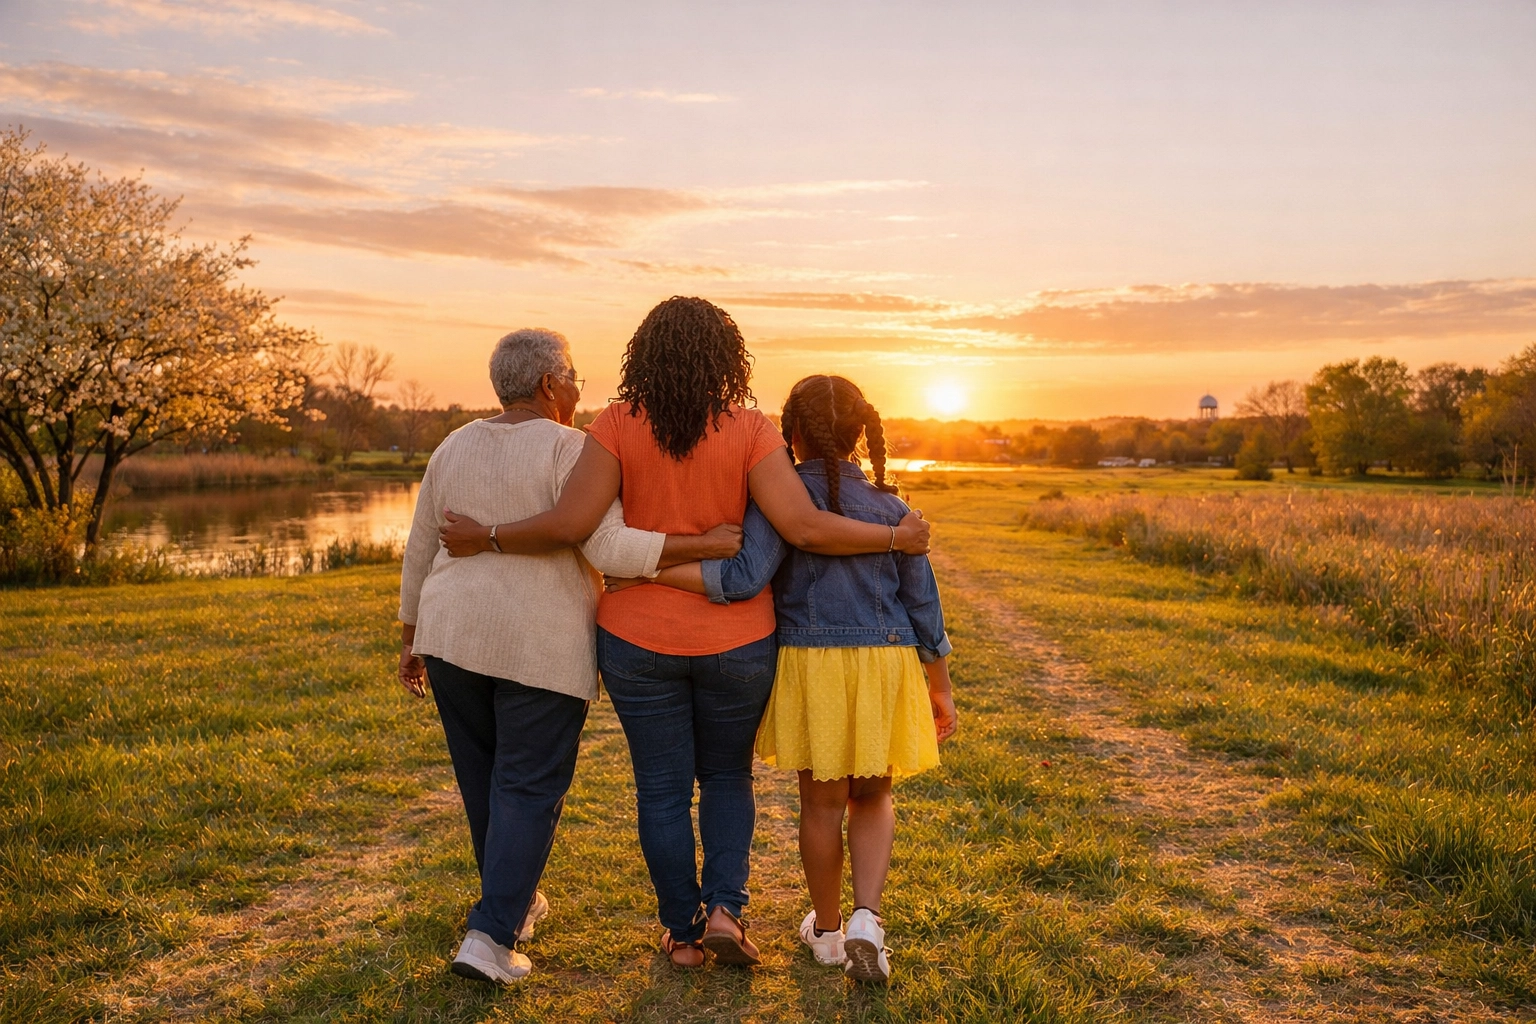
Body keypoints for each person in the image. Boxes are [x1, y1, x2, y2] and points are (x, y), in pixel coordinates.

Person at [436, 297, 931, 969]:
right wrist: (898, 534)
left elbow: (577, 524)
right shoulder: (752, 430)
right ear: (728, 357)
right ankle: (727, 908)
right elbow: (804, 527)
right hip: (737, 641)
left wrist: (491, 538)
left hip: (637, 641)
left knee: (661, 791)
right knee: (727, 777)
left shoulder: (614, 424)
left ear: (643, 353)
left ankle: (682, 933)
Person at [396, 328, 742, 985]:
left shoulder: (453, 445)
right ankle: (491, 938)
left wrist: (411, 635)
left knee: (486, 781)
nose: (582, 390)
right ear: (550, 384)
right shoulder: (572, 447)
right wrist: (701, 545)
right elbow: (606, 546)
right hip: (536, 642)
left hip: (450, 635)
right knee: (528, 785)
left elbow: (421, 546)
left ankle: (513, 907)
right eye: (576, 375)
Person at [606, 374, 957, 984]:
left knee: (821, 804)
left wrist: (650, 576)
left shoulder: (779, 497)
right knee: (873, 794)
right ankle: (867, 919)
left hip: (812, 665)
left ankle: (826, 931)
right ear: (859, 432)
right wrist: (941, 683)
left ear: (790, 432)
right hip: (885, 664)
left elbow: (742, 578)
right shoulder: (893, 508)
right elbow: (923, 605)